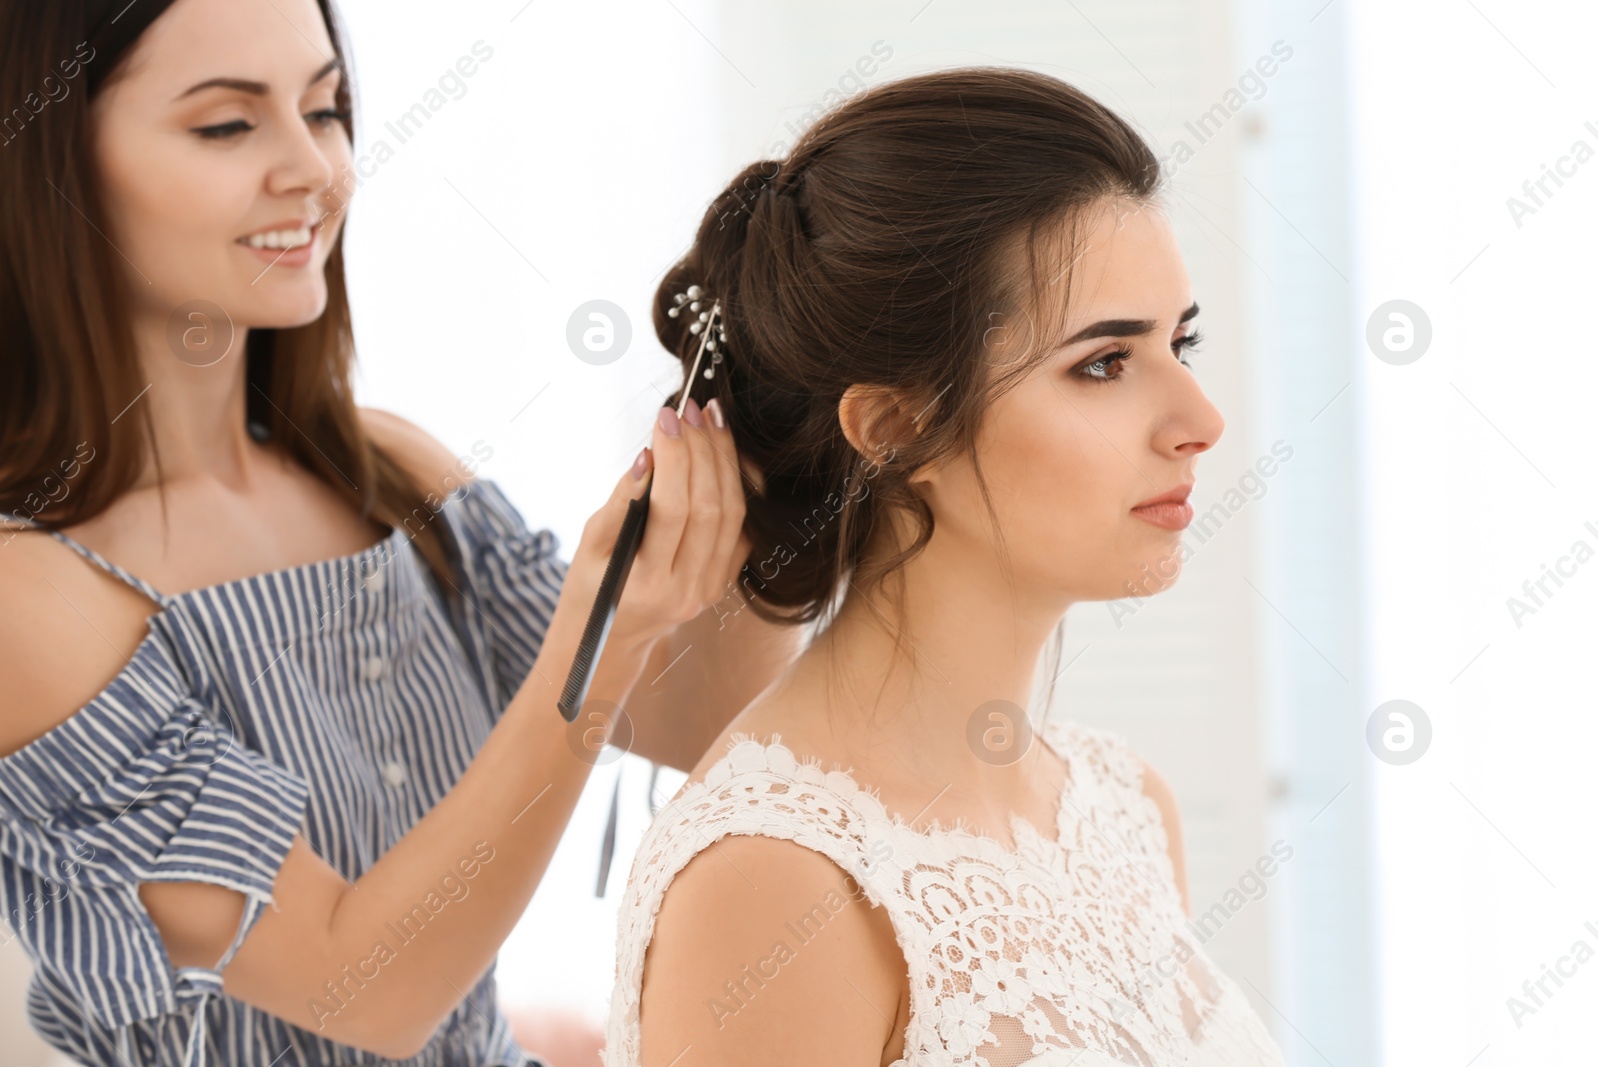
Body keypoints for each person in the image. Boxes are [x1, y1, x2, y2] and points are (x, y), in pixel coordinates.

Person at [0, 1, 800, 1065]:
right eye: (227, 126)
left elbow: (689, 722)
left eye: (325, 108)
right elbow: (367, 986)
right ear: (52, 164)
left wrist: (784, 451)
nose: (316, 169)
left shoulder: (388, 470)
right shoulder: (29, 593)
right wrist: (606, 633)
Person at [604, 68, 1289, 1066]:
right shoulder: (776, 880)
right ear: (893, 427)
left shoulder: (1125, 805)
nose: (1200, 421)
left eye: (1180, 342)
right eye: (1102, 363)